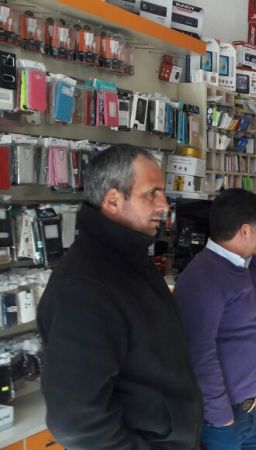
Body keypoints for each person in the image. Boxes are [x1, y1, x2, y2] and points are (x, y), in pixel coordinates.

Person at [37, 145, 204, 449]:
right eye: (151, 194)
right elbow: (77, 422)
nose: (164, 205)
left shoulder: (130, 260)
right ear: (113, 200)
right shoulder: (84, 286)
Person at [173, 188, 256, 450]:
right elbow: (197, 355)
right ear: (245, 231)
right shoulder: (204, 276)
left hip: (247, 413)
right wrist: (222, 420)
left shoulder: (247, 264)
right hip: (220, 422)